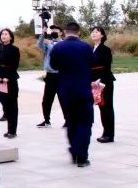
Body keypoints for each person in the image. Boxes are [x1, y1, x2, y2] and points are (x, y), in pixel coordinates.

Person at [50, 21, 95, 167]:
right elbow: (92, 64)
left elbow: (53, 66)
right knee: (85, 123)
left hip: (65, 91)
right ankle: (82, 156)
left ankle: (74, 150)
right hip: (83, 90)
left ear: (64, 32)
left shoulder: (58, 47)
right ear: (79, 32)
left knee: (71, 122)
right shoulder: (86, 47)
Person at [90, 25, 115, 143]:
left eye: (97, 32)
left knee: (107, 108)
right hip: (93, 82)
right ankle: (105, 132)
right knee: (101, 107)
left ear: (102, 35)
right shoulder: (90, 49)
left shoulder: (105, 49)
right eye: (92, 32)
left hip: (104, 82)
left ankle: (109, 135)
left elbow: (106, 67)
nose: (94, 33)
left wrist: (100, 81)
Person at [37, 25, 63, 127]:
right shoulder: (48, 42)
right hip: (50, 75)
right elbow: (39, 45)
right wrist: (43, 34)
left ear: (61, 32)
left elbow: (58, 53)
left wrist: (50, 44)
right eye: (52, 30)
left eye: (56, 30)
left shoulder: (64, 43)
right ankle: (46, 120)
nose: (53, 31)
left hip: (60, 75)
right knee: (46, 100)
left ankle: (68, 120)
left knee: (63, 99)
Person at [0, 28, 20, 139]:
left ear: (10, 37)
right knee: (5, 105)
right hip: (0, 80)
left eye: (6, 34)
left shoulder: (14, 49)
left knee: (12, 107)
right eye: (2, 34)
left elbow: (14, 65)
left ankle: (12, 131)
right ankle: (8, 130)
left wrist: (7, 77)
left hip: (10, 80)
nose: (3, 36)